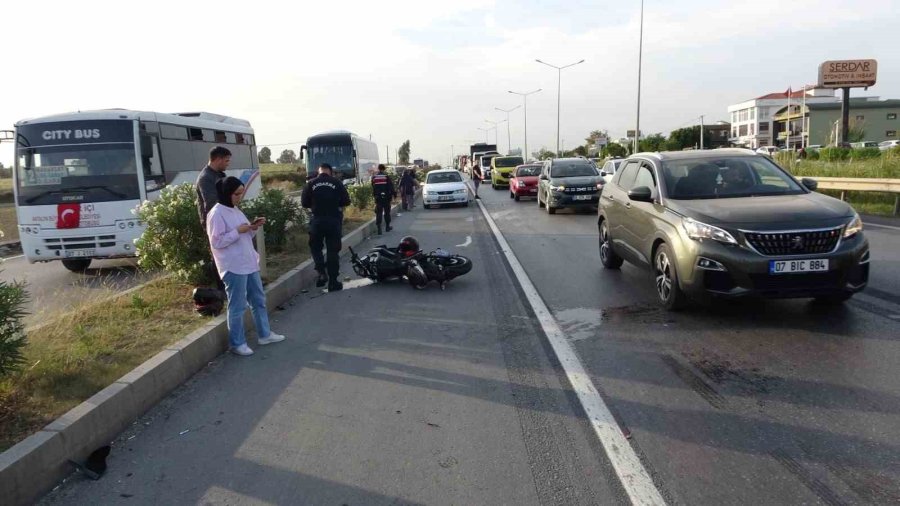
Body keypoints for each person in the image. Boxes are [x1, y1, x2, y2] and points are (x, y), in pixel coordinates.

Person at [207, 176, 285, 356]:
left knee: (258, 300)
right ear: (227, 193)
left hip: (248, 263)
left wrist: (253, 227)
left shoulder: (235, 210)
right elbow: (216, 242)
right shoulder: (216, 213)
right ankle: (237, 343)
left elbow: (245, 236)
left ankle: (265, 335)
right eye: (236, 194)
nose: (239, 197)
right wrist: (237, 231)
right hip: (233, 266)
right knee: (237, 305)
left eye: (241, 193)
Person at [301, 163, 351, 291]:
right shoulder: (337, 182)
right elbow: (346, 201)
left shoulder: (311, 183)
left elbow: (304, 203)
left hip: (317, 221)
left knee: (315, 248)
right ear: (330, 171)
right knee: (332, 251)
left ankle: (321, 272)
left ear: (319, 172)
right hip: (333, 221)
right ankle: (333, 282)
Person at [196, 146, 232, 290]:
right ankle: (222, 289)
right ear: (218, 159)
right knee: (218, 256)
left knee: (230, 253)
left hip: (227, 219)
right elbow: (211, 203)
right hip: (214, 222)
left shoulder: (220, 175)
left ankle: (233, 284)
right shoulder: (205, 178)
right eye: (226, 160)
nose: (228, 164)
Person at [371, 164, 395, 235]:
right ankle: (387, 227)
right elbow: (391, 187)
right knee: (387, 213)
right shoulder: (386, 177)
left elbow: (373, 187)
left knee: (379, 213)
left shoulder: (374, 177)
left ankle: (379, 229)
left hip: (378, 198)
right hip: (386, 198)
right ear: (384, 169)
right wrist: (394, 194)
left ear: (378, 169)